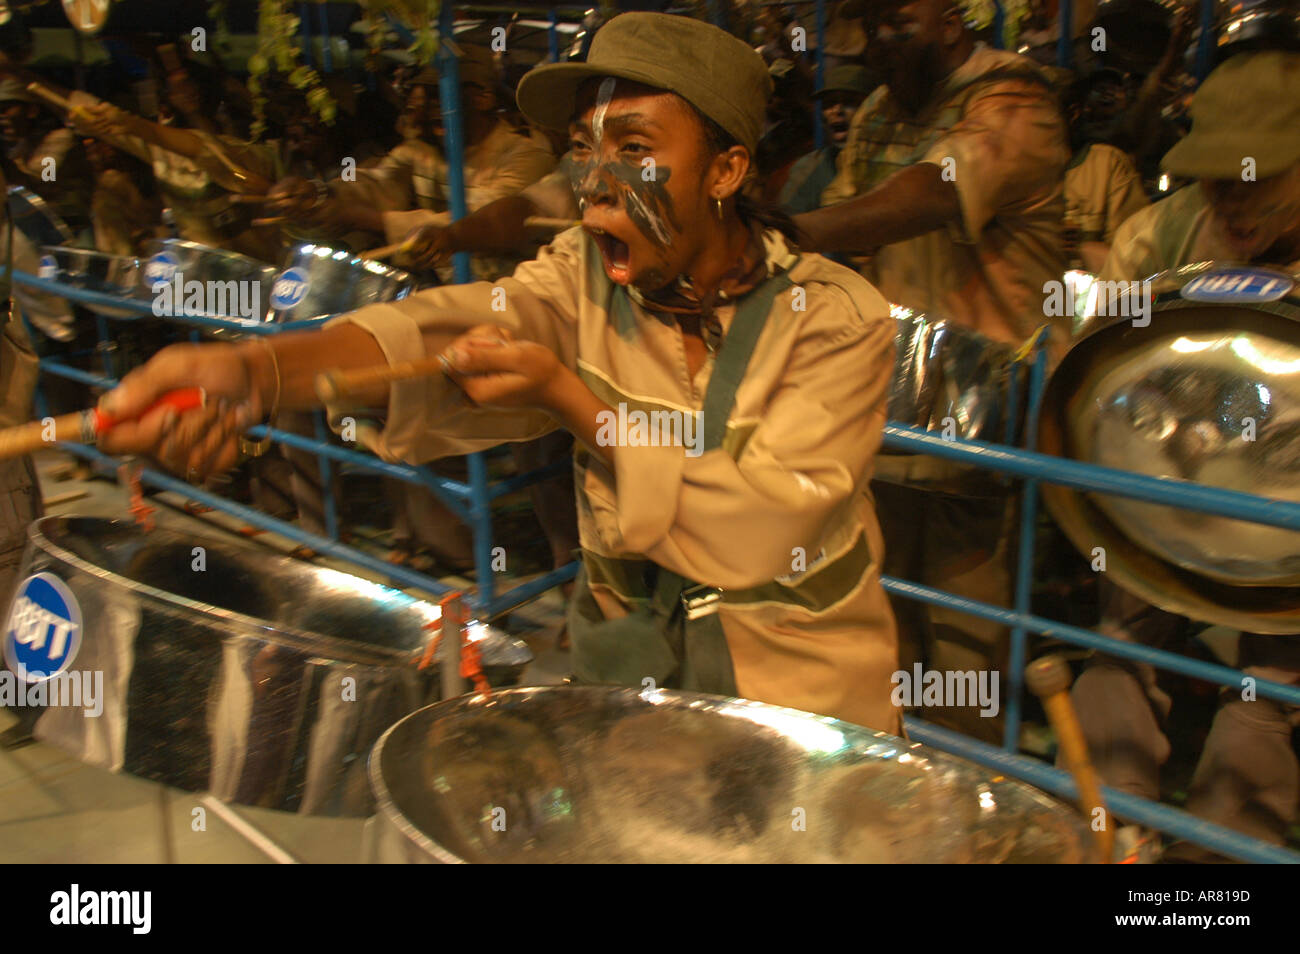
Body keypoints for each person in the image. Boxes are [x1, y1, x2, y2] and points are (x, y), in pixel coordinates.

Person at [94, 12, 902, 733]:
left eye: (634, 150)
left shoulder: (835, 319)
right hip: (635, 691)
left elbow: (762, 527)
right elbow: (441, 326)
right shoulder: (584, 272)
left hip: (801, 704)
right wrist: (252, 371)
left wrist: (569, 399)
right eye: (584, 151)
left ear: (725, 172)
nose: (594, 186)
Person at [794, 0, 1071, 741]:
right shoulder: (882, 110)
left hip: (988, 420)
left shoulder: (1014, 100)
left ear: (951, 22)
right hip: (891, 402)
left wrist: (792, 228)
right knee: (882, 615)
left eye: (895, 21)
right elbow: (848, 213)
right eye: (868, 25)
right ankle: (903, 784)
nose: (877, 41)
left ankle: (973, 800)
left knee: (964, 635)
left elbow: (928, 192)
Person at [1082, 50, 1300, 861]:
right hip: (1160, 488)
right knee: (1119, 640)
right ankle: (1114, 836)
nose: (1233, 203)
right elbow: (1096, 365)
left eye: (1258, 182)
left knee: (1266, 686)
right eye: (1218, 181)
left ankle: (1214, 879)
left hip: (1285, 521)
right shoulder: (1160, 235)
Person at [778, 64, 874, 215]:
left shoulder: (891, 159)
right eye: (829, 104)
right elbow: (790, 225)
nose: (837, 111)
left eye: (849, 102)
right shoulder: (810, 168)